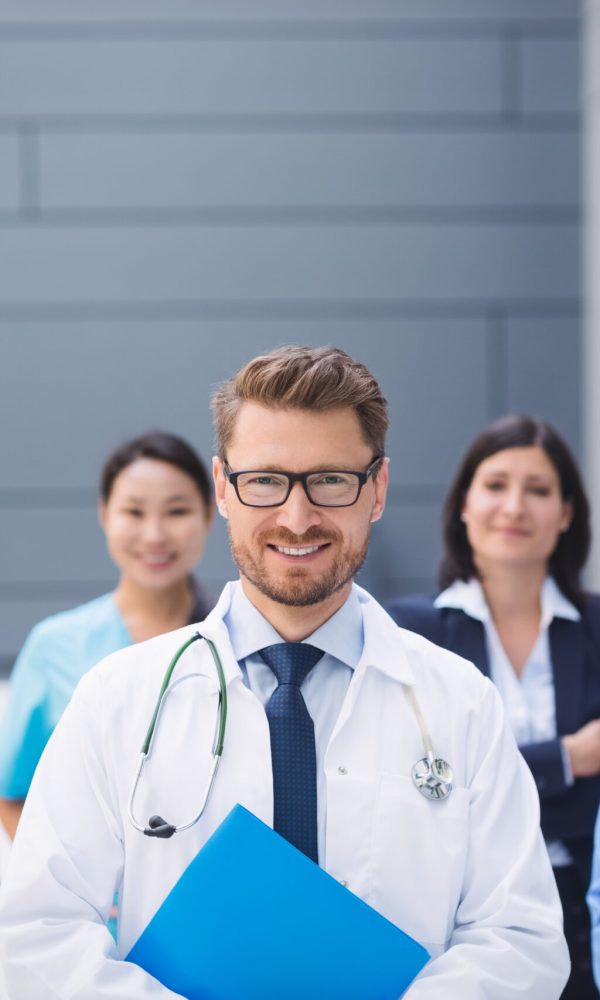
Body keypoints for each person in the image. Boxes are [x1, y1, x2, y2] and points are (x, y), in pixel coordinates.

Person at [0, 348, 568, 998]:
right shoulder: (117, 699)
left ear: (377, 489)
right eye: (266, 481)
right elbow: (40, 926)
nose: (297, 518)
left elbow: (522, 938)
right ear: (222, 488)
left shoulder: (461, 705)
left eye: (330, 480)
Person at [387, 414, 600, 1000]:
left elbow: (466, 786)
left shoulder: (597, 629)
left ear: (565, 513)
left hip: (583, 902)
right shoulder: (409, 633)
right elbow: (418, 782)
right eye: (496, 485)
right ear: (464, 504)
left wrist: (487, 789)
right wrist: (570, 759)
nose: (515, 506)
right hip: (458, 915)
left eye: (538, 490)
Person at [0, 430, 215, 840]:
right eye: (133, 512)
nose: (154, 535)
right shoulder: (54, 646)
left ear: (208, 514)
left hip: (207, 896)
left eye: (176, 511)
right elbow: (13, 795)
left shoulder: (238, 637)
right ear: (104, 515)